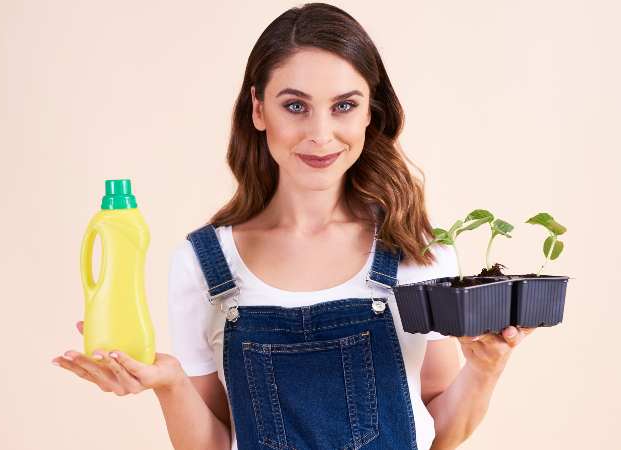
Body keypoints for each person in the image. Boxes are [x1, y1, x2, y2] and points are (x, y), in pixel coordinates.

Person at [52, 3, 534, 449]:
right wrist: (170, 384)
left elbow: (440, 431)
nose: (320, 134)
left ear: (371, 111)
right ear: (259, 110)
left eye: (344, 105)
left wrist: (486, 369)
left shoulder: (415, 251)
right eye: (296, 106)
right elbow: (212, 445)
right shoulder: (205, 264)